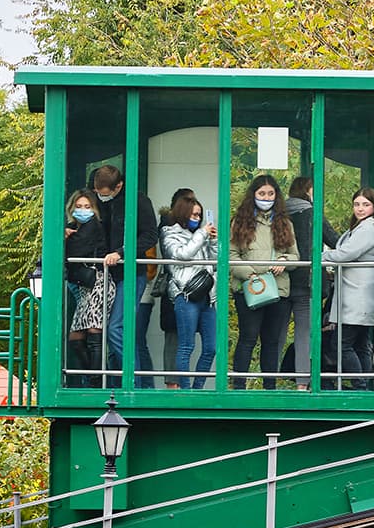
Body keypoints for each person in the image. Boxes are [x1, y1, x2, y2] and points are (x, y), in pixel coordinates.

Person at [228, 174, 298, 389]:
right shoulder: (239, 222)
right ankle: (238, 387)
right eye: (262, 193)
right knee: (247, 338)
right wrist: (249, 274)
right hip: (249, 289)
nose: (266, 198)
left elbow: (297, 256)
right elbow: (230, 256)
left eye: (270, 193)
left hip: (278, 290)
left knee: (271, 341)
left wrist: (284, 261)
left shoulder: (284, 223)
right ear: (253, 195)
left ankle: (270, 388)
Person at [91, 164, 158, 386]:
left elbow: (150, 236)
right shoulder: (98, 200)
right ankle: (116, 387)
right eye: (98, 193)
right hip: (104, 275)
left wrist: (120, 253)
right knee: (113, 331)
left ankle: (132, 385)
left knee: (116, 329)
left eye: (104, 194)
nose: (101, 198)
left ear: (118, 186)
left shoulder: (138, 201)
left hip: (130, 274)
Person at [322, 187, 374, 390]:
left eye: (366, 204)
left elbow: (345, 254)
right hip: (359, 293)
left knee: (341, 344)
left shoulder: (369, 228)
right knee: (360, 344)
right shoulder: (364, 226)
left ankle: (360, 385)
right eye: (357, 204)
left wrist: (319, 256)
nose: (360, 208)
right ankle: (365, 384)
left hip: (358, 294)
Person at [284, 176, 340, 390]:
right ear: (308, 191)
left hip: (281, 280)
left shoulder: (280, 213)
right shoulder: (312, 213)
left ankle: (268, 381)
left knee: (275, 336)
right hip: (310, 281)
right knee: (305, 333)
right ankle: (303, 383)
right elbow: (334, 240)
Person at [162, 195, 218, 388]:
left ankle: (198, 388)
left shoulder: (201, 234)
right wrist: (201, 234)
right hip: (185, 295)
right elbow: (182, 255)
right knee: (186, 346)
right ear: (183, 213)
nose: (197, 218)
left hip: (208, 296)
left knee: (211, 347)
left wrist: (212, 241)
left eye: (199, 215)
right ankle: (185, 390)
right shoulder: (169, 233)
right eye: (194, 214)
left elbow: (215, 262)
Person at [63, 189, 113, 386]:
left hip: (99, 282)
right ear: (72, 208)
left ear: (94, 209)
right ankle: (91, 377)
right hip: (85, 286)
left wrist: (65, 236)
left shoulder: (95, 226)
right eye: (79, 207)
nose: (83, 210)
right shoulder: (72, 228)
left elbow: (78, 248)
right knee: (75, 335)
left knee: (94, 329)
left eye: (87, 207)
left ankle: (97, 382)